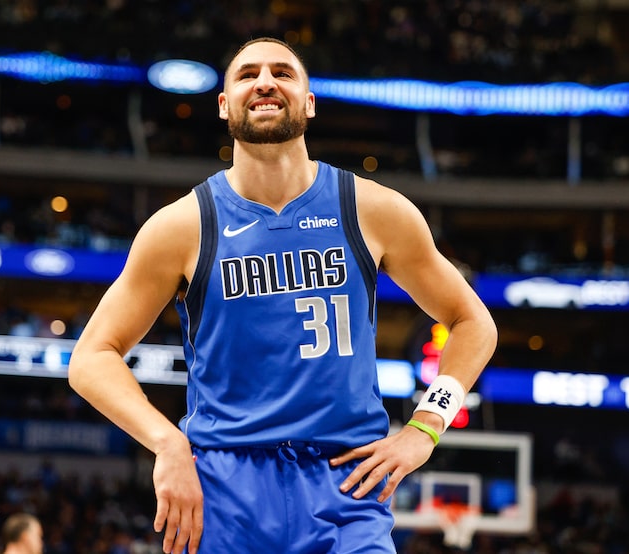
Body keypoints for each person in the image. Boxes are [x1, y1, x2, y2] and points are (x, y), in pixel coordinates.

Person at [68, 37, 497, 553]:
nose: (265, 81)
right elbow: (91, 357)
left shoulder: (373, 209)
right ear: (225, 104)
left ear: (309, 102)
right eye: (247, 74)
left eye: (283, 73)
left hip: (347, 483)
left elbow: (474, 323)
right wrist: (166, 443)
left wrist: (425, 429)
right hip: (227, 489)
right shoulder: (182, 225)